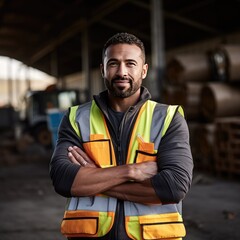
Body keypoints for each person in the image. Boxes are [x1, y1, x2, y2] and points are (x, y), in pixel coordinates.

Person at [49, 32, 193, 240]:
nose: (122, 71)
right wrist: (132, 171)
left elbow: (173, 187)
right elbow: (63, 180)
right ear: (103, 69)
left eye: (131, 63)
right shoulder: (76, 118)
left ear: (143, 71)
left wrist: (94, 177)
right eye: (114, 63)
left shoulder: (168, 118)